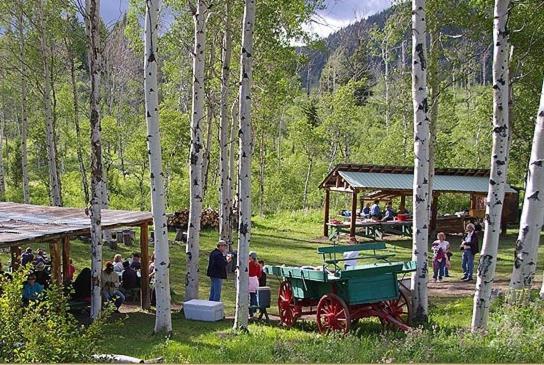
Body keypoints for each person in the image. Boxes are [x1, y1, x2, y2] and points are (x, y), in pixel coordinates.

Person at [248, 251, 262, 317]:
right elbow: (259, 274)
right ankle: (254, 310)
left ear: (251, 257)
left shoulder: (248, 263)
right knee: (254, 296)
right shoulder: (258, 264)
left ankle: (249, 311)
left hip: (249, 280)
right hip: (255, 280)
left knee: (247, 297)